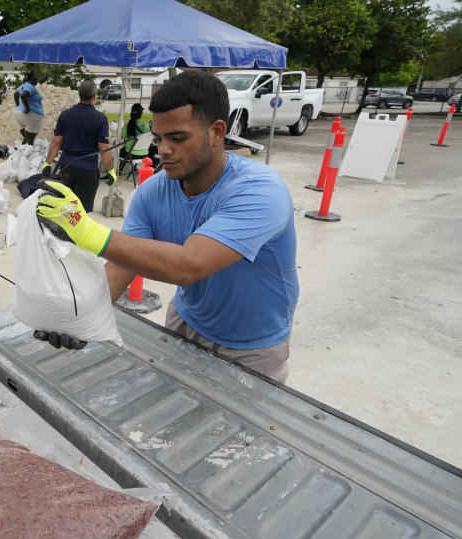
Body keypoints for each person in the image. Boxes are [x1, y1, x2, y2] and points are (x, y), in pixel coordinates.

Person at [35, 71, 299, 382]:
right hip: (186, 320)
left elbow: (190, 265)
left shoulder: (259, 190)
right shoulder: (154, 191)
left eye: (178, 138)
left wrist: (88, 231)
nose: (163, 150)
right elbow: (121, 265)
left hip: (254, 344)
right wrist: (80, 318)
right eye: (159, 138)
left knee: (243, 428)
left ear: (216, 132)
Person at [40, 80, 116, 214]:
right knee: (82, 213)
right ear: (94, 96)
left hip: (67, 168)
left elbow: (56, 142)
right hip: (88, 171)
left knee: (65, 208)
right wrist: (110, 170)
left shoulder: (65, 115)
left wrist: (48, 163)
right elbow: (104, 147)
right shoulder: (100, 119)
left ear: (79, 95)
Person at [13, 71, 44, 145]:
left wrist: (18, 106)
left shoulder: (24, 85)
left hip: (19, 115)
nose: (37, 80)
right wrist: (27, 108)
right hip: (31, 115)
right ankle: (26, 155)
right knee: (30, 140)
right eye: (36, 78)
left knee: (27, 138)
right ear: (31, 78)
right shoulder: (30, 86)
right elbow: (23, 95)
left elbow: (16, 94)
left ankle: (20, 154)